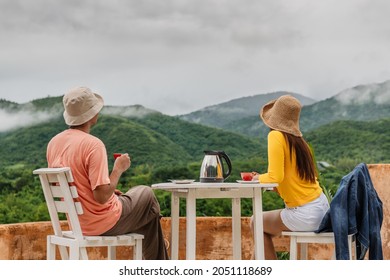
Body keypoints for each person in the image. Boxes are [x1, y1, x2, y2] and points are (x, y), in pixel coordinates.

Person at [46, 86, 169, 260]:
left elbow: (80, 187)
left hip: (78, 223)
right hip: (103, 223)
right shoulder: (93, 145)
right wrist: (118, 168)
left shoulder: (53, 143)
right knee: (146, 194)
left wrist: (110, 192)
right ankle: (159, 258)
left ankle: (159, 253)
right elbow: (102, 196)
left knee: (147, 212)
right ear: (92, 115)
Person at [252, 94, 329, 260]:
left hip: (304, 214)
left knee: (255, 222)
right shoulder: (301, 143)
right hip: (323, 210)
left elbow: (275, 176)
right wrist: (265, 180)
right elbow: (293, 181)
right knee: (259, 226)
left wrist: (257, 179)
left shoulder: (275, 136)